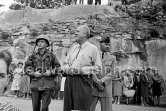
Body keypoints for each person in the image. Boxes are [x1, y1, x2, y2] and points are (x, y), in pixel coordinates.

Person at [62, 25, 102, 111]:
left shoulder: (93, 48)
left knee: (82, 108)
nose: (75, 33)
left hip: (83, 81)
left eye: (77, 31)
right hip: (69, 81)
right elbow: (65, 62)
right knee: (68, 108)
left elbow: (98, 68)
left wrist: (81, 70)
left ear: (85, 34)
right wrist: (67, 69)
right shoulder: (73, 48)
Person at [24, 35, 60, 111]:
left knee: (44, 108)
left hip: (48, 84)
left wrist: (51, 72)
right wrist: (33, 73)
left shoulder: (52, 55)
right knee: (35, 107)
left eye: (42, 41)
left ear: (46, 44)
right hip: (35, 84)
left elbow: (58, 67)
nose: (40, 43)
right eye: (38, 42)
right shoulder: (32, 56)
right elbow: (27, 67)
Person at [90, 36, 117, 111]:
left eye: (109, 45)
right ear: (100, 44)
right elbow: (90, 69)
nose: (108, 46)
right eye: (106, 44)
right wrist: (97, 82)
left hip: (106, 87)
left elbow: (114, 72)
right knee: (89, 108)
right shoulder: (94, 55)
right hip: (93, 86)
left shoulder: (112, 58)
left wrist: (101, 81)